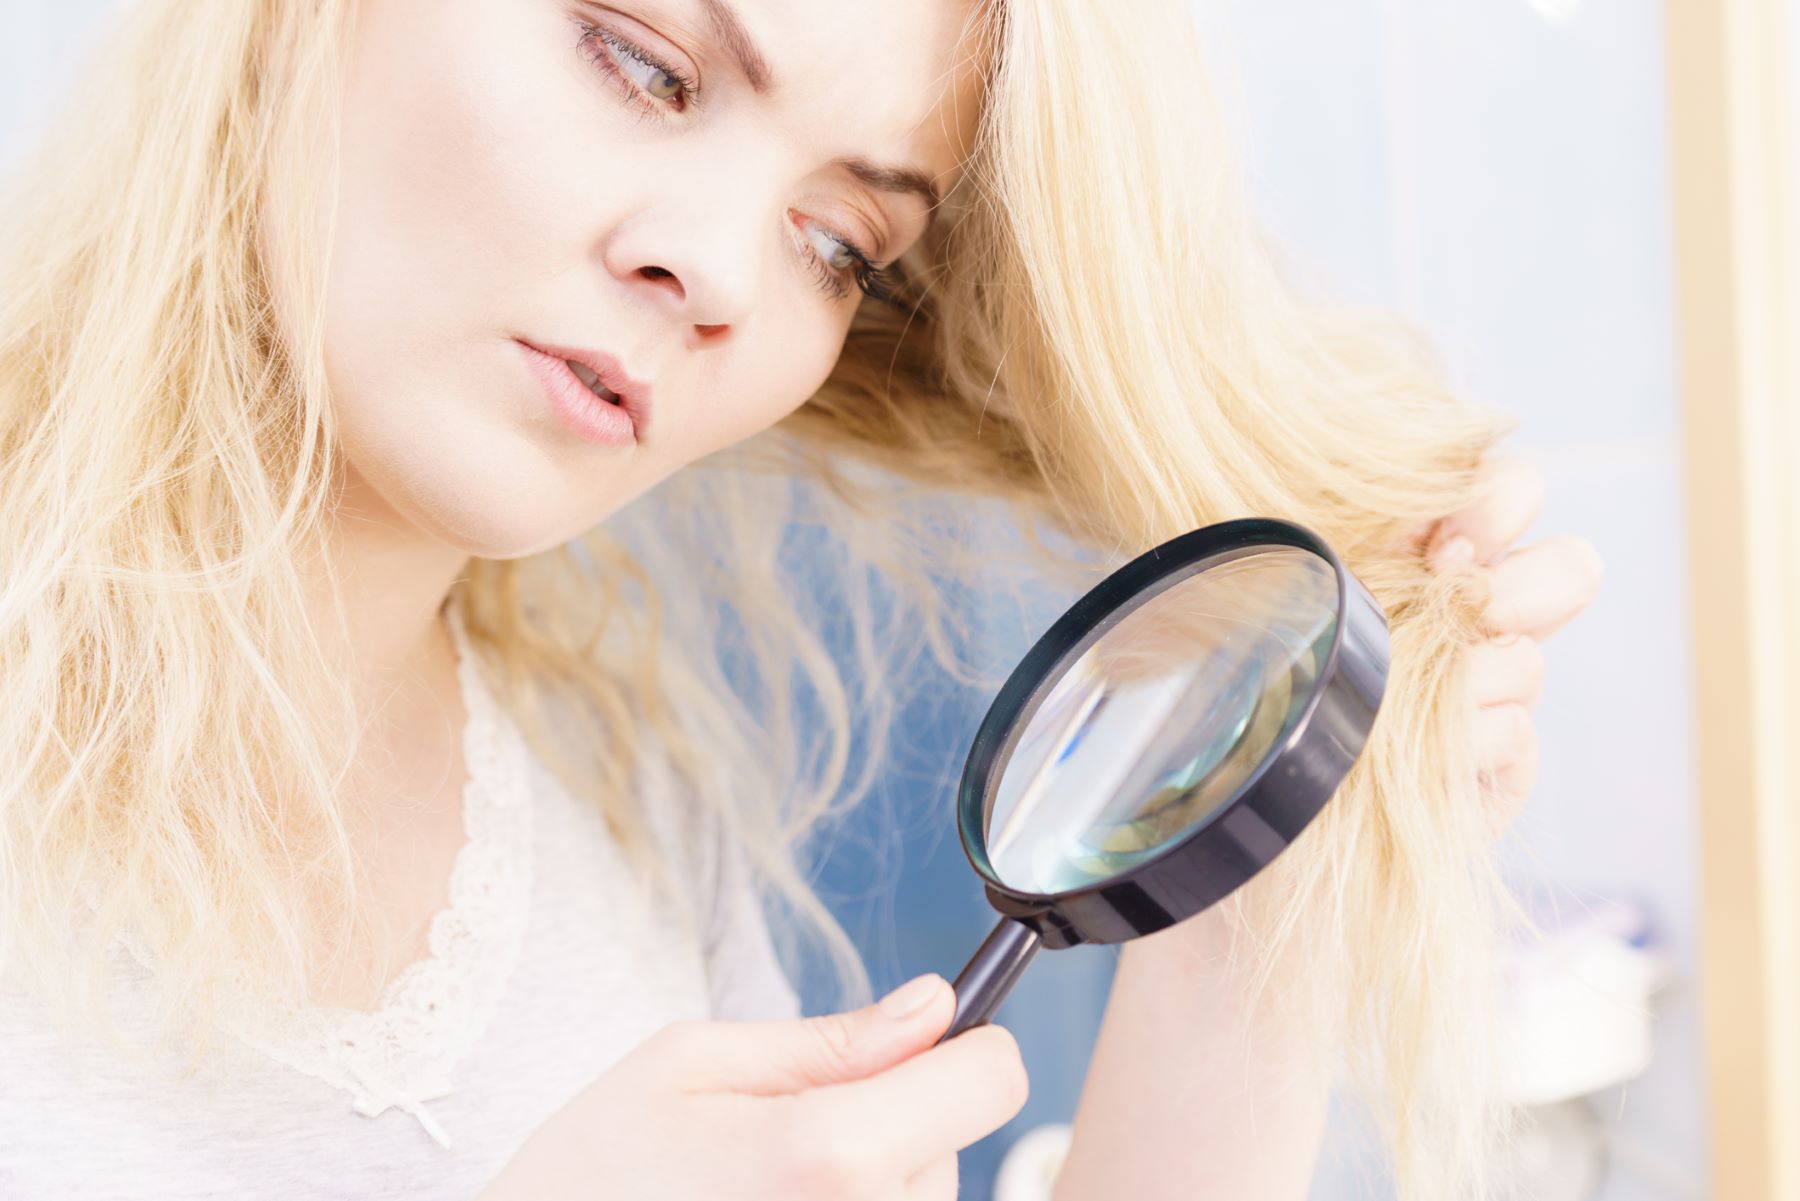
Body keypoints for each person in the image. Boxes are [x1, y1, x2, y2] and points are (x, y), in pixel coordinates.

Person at [0, 1, 1602, 1198]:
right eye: (642, 62)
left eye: (839, 240)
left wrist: (1248, 914)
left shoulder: (622, 828)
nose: (719, 273)